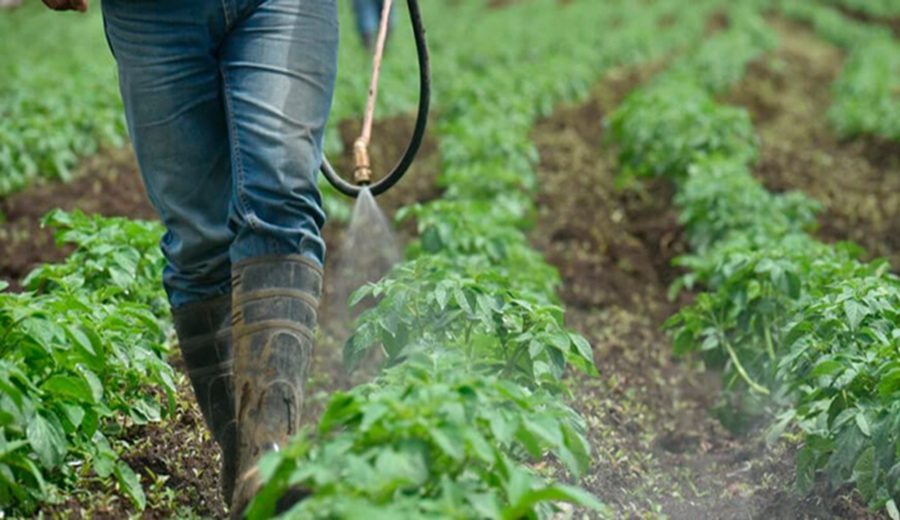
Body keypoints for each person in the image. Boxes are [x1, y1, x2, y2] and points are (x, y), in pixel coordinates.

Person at [42, 0, 338, 517]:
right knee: (199, 243)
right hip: (153, 15)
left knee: (282, 196)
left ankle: (270, 455)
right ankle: (246, 462)